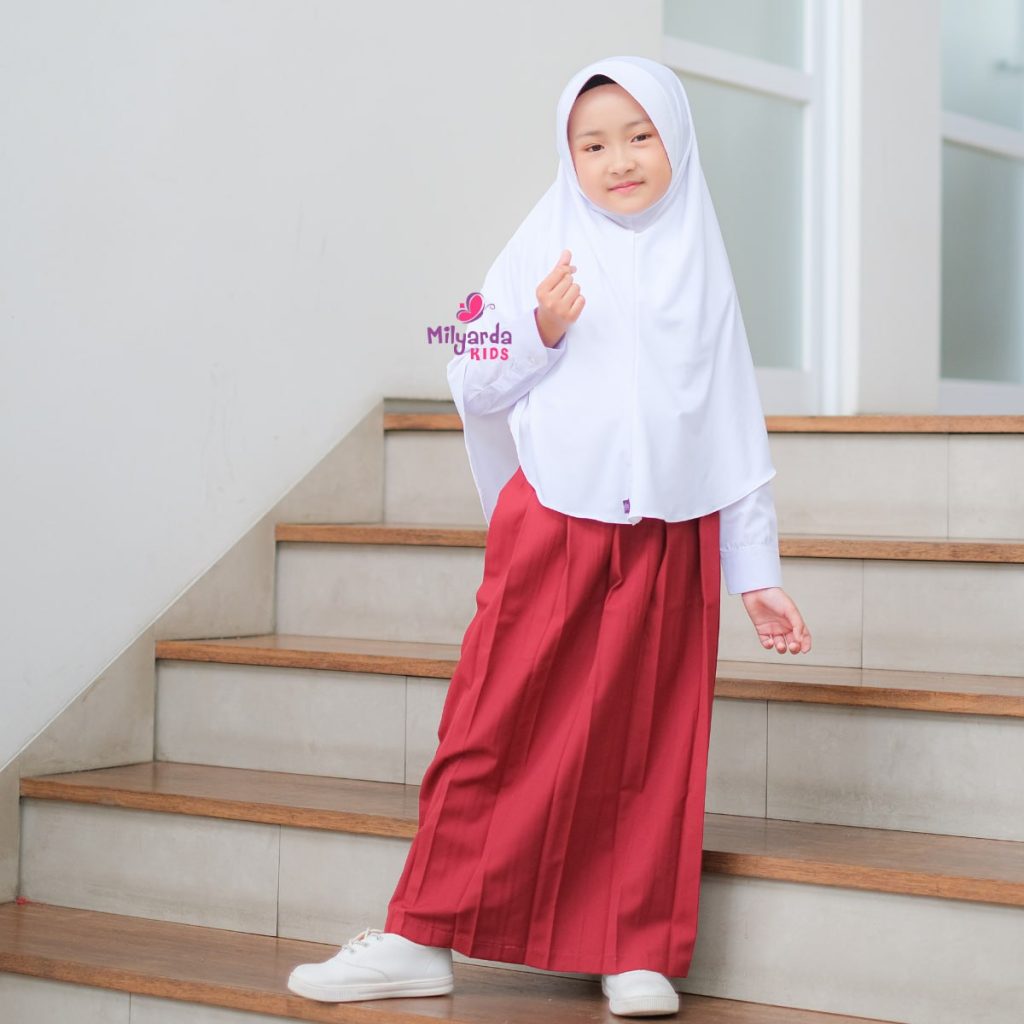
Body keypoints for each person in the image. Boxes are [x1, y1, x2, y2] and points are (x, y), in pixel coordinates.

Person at [287, 54, 812, 1019]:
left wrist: (755, 570)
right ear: (567, 157)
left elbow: (734, 426)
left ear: (677, 141)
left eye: (640, 137)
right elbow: (468, 369)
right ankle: (418, 935)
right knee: (490, 727)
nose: (619, 160)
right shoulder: (543, 243)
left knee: (650, 745)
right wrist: (539, 325)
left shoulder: (703, 267)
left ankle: (635, 948)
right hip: (554, 523)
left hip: (670, 539)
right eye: (593, 144)